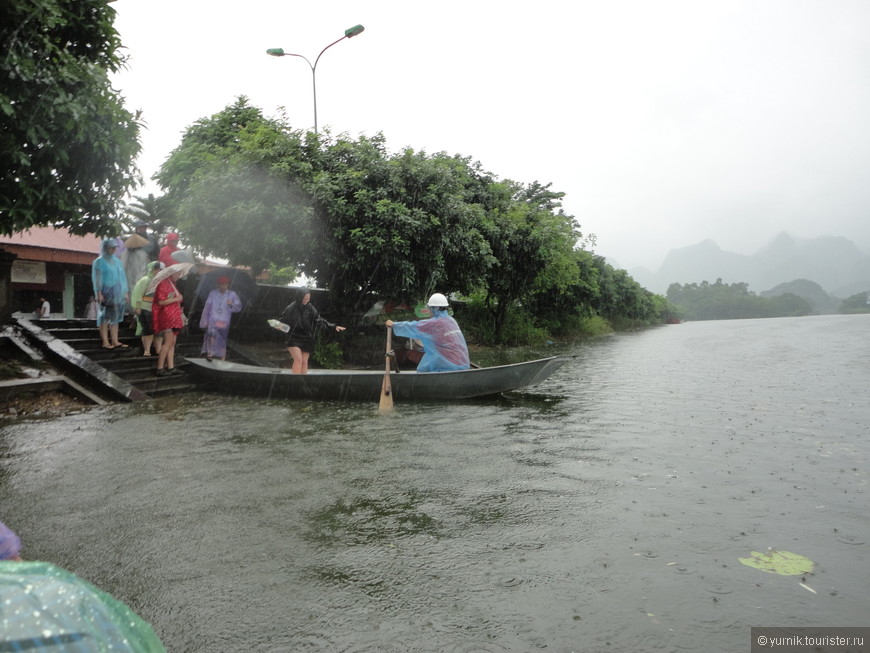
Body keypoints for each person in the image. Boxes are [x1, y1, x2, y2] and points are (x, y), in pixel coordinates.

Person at [385, 292, 470, 372]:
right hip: (464, 365)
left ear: (433, 308)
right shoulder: (451, 320)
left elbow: (412, 326)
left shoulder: (433, 324)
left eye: (429, 308)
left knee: (426, 366)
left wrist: (393, 324)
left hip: (448, 367)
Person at [277, 288, 345, 374]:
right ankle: (295, 382)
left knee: (305, 361)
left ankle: (302, 382)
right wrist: (279, 326)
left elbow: (319, 320)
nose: (306, 301)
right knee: (298, 359)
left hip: (307, 337)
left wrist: (333, 327)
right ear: (299, 297)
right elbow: (282, 322)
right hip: (293, 337)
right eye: (304, 299)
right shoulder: (291, 308)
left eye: (308, 299)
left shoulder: (310, 308)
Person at [91, 238, 130, 349]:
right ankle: (105, 341)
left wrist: (125, 291)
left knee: (115, 317)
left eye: (114, 247)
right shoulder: (99, 261)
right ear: (105, 248)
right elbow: (97, 278)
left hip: (117, 291)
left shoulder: (117, 261)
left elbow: (122, 277)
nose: (113, 249)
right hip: (105, 291)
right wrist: (98, 292)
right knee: (104, 317)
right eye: (111, 247)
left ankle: (115, 340)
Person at [199, 275, 242, 361]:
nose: (223, 286)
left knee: (222, 339)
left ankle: (222, 357)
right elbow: (207, 307)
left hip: (224, 321)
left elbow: (238, 307)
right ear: (218, 285)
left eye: (225, 284)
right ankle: (210, 354)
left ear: (228, 284)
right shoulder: (213, 293)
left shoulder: (232, 294)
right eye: (222, 284)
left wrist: (231, 304)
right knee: (211, 336)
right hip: (213, 319)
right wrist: (205, 320)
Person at [151, 268, 185, 376]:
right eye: (177, 272)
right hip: (167, 317)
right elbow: (161, 301)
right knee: (168, 343)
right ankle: (160, 367)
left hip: (174, 317)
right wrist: (176, 299)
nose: (179, 274)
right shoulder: (163, 284)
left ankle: (171, 366)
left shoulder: (173, 284)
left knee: (172, 343)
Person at [120, 220, 158, 313]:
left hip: (147, 266)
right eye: (140, 227)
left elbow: (156, 252)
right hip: (133, 268)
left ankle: (142, 310)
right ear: (136, 228)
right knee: (132, 288)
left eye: (144, 227)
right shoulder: (131, 239)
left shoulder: (151, 239)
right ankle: (131, 310)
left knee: (145, 289)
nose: (142, 229)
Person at [131, 261, 164, 357]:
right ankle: (147, 350)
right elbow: (138, 294)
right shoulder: (145, 280)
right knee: (147, 330)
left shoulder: (161, 282)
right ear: (153, 269)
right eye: (158, 269)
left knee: (159, 332)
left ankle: (159, 350)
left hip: (158, 310)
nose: (160, 271)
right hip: (145, 308)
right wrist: (137, 307)